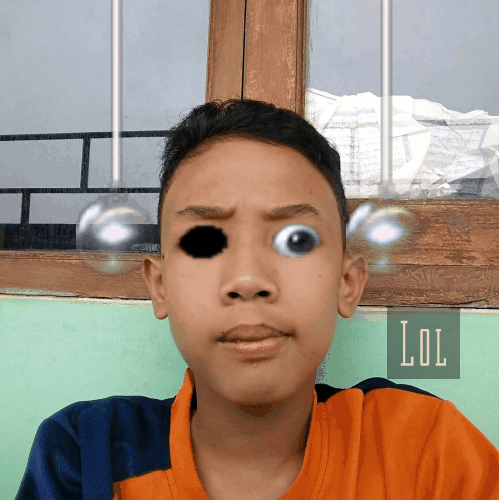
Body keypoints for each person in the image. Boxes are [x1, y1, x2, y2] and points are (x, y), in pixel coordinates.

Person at [15, 99, 499, 500]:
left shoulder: (425, 449)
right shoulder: (86, 454)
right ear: (159, 286)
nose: (248, 279)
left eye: (296, 240)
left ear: (348, 283)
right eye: (204, 240)